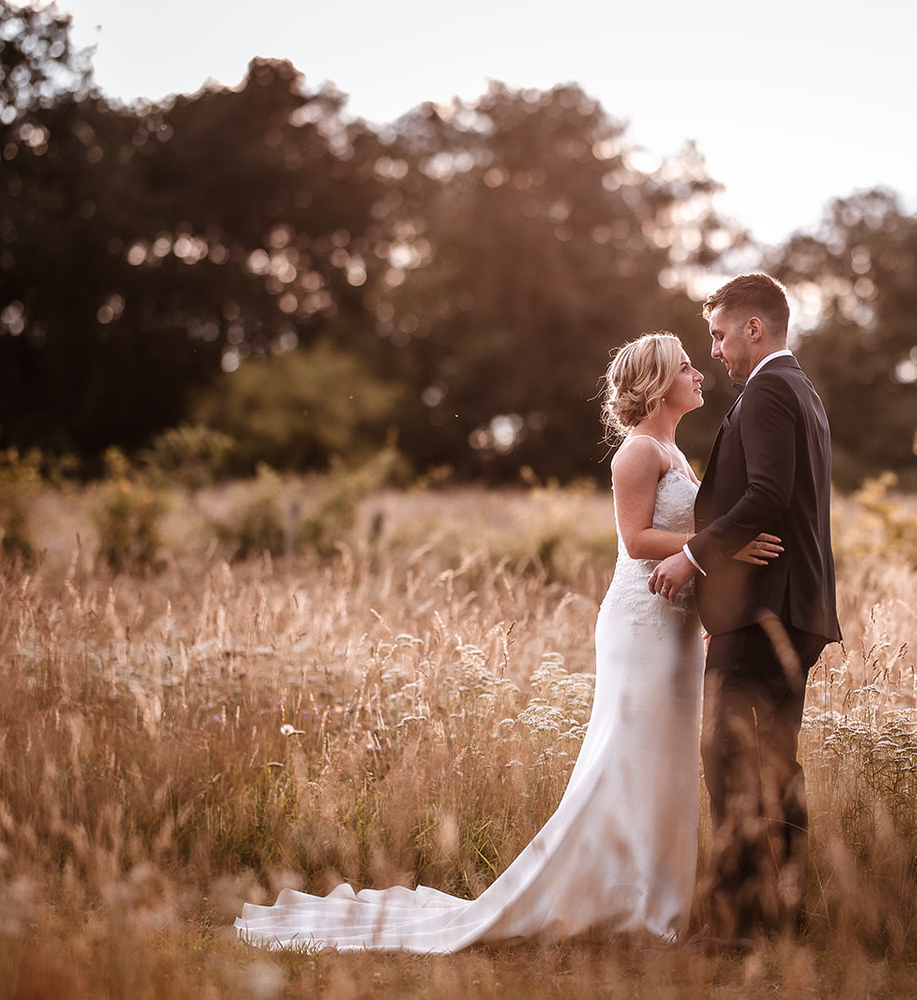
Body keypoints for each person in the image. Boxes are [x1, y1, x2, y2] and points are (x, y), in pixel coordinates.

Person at [234, 331, 781, 952]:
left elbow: (684, 545)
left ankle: (654, 901)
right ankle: (626, 904)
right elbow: (635, 542)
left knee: (667, 762)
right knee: (628, 758)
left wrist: (709, 577)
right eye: (687, 366)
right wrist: (721, 547)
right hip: (643, 626)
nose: (699, 373)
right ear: (657, 381)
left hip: (679, 624)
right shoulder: (637, 453)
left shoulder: (676, 454)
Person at [648, 273, 841, 944]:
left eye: (720, 334)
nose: (718, 350)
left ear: (754, 327)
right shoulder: (801, 392)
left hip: (765, 609)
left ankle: (738, 924)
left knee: (731, 760)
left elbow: (764, 494)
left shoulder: (767, 393)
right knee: (773, 763)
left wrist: (691, 557)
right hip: (793, 609)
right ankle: (779, 915)